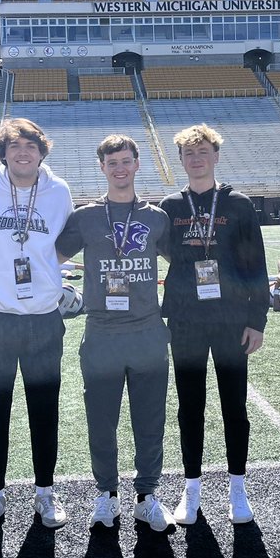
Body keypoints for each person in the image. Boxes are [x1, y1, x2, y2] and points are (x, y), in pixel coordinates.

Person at [0, 118, 73, 533]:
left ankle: (45, 490)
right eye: (14, 146)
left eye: (30, 146)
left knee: (45, 410)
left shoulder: (59, 192)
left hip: (43, 318)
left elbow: (62, 244)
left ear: (42, 151)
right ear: (2, 152)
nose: (22, 153)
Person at [56, 135, 175, 532]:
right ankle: (106, 494)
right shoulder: (86, 217)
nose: (120, 168)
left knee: (150, 420)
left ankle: (147, 495)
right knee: (101, 421)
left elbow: (186, 263)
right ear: (102, 168)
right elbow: (49, 257)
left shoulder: (157, 217)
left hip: (147, 332)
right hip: (102, 332)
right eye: (112, 163)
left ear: (138, 164)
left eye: (126, 161)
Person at [160, 124, 268, 525]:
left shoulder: (238, 204)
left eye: (203, 151)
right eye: (189, 153)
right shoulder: (170, 206)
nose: (196, 158)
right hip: (186, 320)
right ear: (182, 160)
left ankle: (237, 488)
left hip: (230, 320)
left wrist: (257, 320)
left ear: (216, 156)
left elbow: (256, 263)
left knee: (234, 407)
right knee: (190, 407)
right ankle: (192, 489)